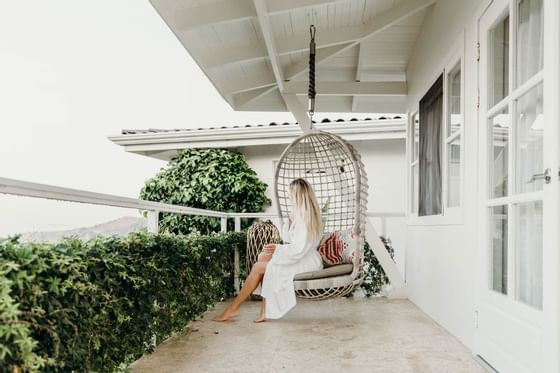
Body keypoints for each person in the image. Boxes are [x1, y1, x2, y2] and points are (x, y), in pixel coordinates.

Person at [213, 178, 323, 323]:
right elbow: (291, 241)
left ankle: (234, 307)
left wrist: (277, 248)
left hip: (306, 261)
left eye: (290, 194)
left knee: (260, 267)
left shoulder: (305, 218)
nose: (289, 197)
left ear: (297, 195)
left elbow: (298, 249)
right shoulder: (300, 215)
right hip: (301, 256)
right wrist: (288, 225)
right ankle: (263, 310)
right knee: (264, 257)